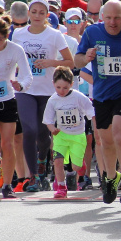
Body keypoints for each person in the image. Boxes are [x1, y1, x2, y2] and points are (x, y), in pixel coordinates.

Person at [75, 0, 121, 203]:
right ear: (102, 17)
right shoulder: (92, 32)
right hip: (101, 95)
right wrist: (87, 57)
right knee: (106, 141)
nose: (112, 22)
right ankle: (111, 177)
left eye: (117, 18)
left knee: (120, 135)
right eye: (108, 18)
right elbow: (77, 60)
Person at [11, 0, 74, 191]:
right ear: (28, 13)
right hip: (25, 89)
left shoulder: (54, 35)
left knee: (42, 134)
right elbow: (13, 60)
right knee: (28, 130)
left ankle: (41, 160)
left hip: (47, 91)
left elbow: (70, 62)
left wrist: (50, 63)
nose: (37, 15)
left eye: (41, 12)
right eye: (34, 11)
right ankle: (33, 177)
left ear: (47, 15)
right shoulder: (18, 34)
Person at [0, 18, 32, 198]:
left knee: (7, 144)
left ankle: (8, 185)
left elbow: (27, 75)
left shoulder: (15, 50)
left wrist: (21, 85)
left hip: (7, 100)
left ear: (7, 36)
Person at [43, 67, 95, 198]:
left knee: (76, 167)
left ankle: (81, 166)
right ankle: (61, 187)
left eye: (65, 88)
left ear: (72, 84)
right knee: (58, 161)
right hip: (60, 135)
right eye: (58, 87)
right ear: (53, 84)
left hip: (77, 136)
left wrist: (95, 129)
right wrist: (52, 129)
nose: (61, 91)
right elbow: (48, 120)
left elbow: (91, 112)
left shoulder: (79, 97)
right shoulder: (52, 100)